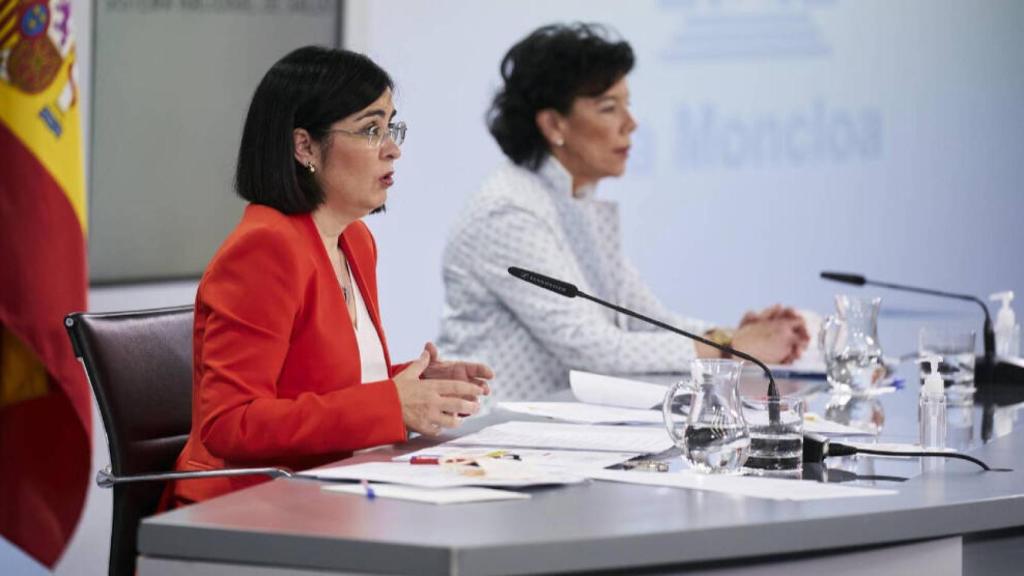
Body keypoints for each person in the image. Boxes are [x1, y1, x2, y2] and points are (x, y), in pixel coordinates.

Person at [165, 46, 492, 507]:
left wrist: (414, 384)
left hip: (330, 492)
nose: (393, 148)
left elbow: (317, 385)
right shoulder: (264, 249)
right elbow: (230, 423)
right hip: (245, 509)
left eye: (391, 126)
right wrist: (391, 405)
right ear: (305, 146)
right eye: (370, 130)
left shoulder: (354, 240)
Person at [437, 24, 807, 401]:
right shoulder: (508, 212)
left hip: (548, 432)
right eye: (609, 108)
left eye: (627, 105)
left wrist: (730, 337)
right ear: (553, 124)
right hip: (486, 439)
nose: (631, 123)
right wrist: (732, 349)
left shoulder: (572, 200)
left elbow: (642, 317)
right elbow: (592, 348)